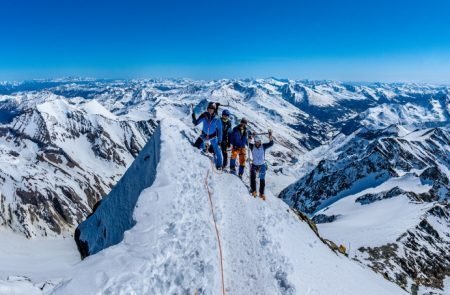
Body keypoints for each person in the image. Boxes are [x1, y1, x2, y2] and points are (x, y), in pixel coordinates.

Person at [192, 102, 223, 169]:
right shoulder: (204, 115)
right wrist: (194, 118)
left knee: (217, 150)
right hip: (204, 135)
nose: (210, 110)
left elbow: (220, 130)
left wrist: (220, 140)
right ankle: (203, 150)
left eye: (212, 109)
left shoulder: (217, 118)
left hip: (213, 136)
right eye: (209, 108)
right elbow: (196, 122)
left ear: (214, 110)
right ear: (207, 109)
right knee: (195, 146)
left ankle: (219, 165)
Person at [249, 130, 274, 200]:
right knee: (252, 177)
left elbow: (271, 143)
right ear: (255, 142)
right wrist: (251, 137)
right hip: (254, 164)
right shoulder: (252, 146)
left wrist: (270, 136)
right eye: (256, 142)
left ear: (260, 141)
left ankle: (261, 193)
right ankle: (254, 190)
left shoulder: (263, 146)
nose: (257, 143)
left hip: (262, 165)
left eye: (258, 142)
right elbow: (246, 142)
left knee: (262, 179)